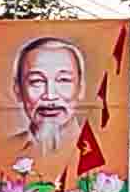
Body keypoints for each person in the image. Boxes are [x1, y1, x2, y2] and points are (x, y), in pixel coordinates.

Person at [10, 35, 89, 165]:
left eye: (63, 80)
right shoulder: (2, 151)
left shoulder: (99, 152)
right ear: (18, 90)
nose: (50, 95)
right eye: (37, 81)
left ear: (81, 88)